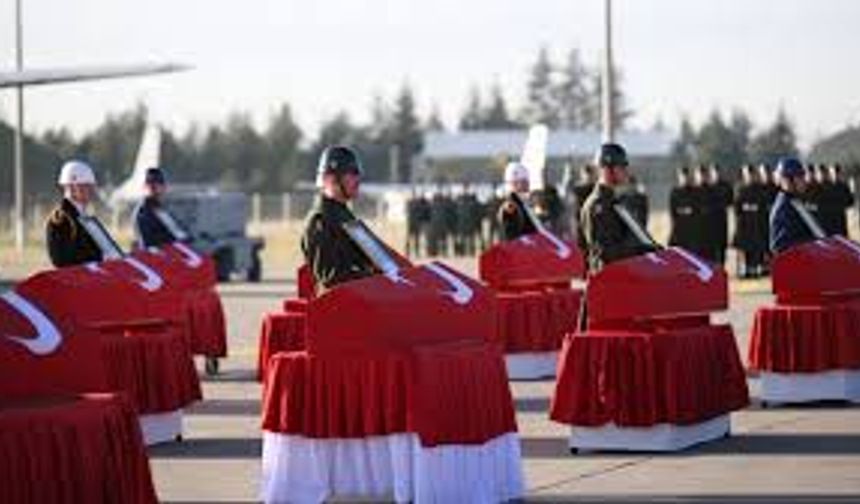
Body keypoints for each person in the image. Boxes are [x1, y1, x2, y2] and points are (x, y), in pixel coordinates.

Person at [301, 146, 377, 292]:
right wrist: (372, 278)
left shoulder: (344, 216)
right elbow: (332, 278)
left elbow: (371, 257)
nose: (358, 180)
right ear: (331, 178)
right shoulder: (321, 221)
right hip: (340, 307)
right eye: (352, 173)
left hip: (359, 300)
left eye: (358, 174)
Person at [580, 143, 660, 273]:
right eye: (621, 167)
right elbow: (607, 253)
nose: (626, 172)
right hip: (609, 283)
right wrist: (641, 250)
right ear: (607, 170)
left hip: (622, 278)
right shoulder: (598, 206)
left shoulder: (615, 201)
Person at [46, 160, 123, 268]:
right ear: (71, 187)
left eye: (91, 186)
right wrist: (99, 259)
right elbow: (61, 260)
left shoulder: (85, 217)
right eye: (86, 185)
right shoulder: (61, 219)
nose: (91, 190)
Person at [770, 156, 825, 255]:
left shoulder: (795, 202)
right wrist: (811, 246)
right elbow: (780, 246)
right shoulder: (784, 208)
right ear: (789, 180)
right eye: (800, 177)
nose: (804, 181)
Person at [132, 167, 192, 249]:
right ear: (145, 186)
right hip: (158, 256)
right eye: (150, 183)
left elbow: (178, 232)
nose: (153, 186)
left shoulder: (161, 210)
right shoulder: (143, 212)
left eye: (158, 183)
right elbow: (148, 242)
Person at [732, 164, 770, 278]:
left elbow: (764, 207)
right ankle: (748, 270)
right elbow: (737, 208)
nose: (750, 177)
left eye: (751, 174)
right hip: (745, 225)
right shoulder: (740, 189)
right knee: (746, 249)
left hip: (758, 224)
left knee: (758, 249)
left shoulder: (761, 189)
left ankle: (758, 268)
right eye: (747, 174)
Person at [497, 161, 539, 241]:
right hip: (519, 250)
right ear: (515, 183)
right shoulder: (511, 206)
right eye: (524, 181)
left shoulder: (521, 203)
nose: (528, 185)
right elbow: (511, 236)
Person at [669, 167, 705, 257]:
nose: (685, 178)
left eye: (686, 176)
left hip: (693, 230)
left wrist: (687, 210)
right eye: (683, 176)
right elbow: (673, 211)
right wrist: (685, 211)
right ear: (679, 177)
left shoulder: (696, 191)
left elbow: (698, 209)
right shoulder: (675, 192)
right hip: (679, 229)